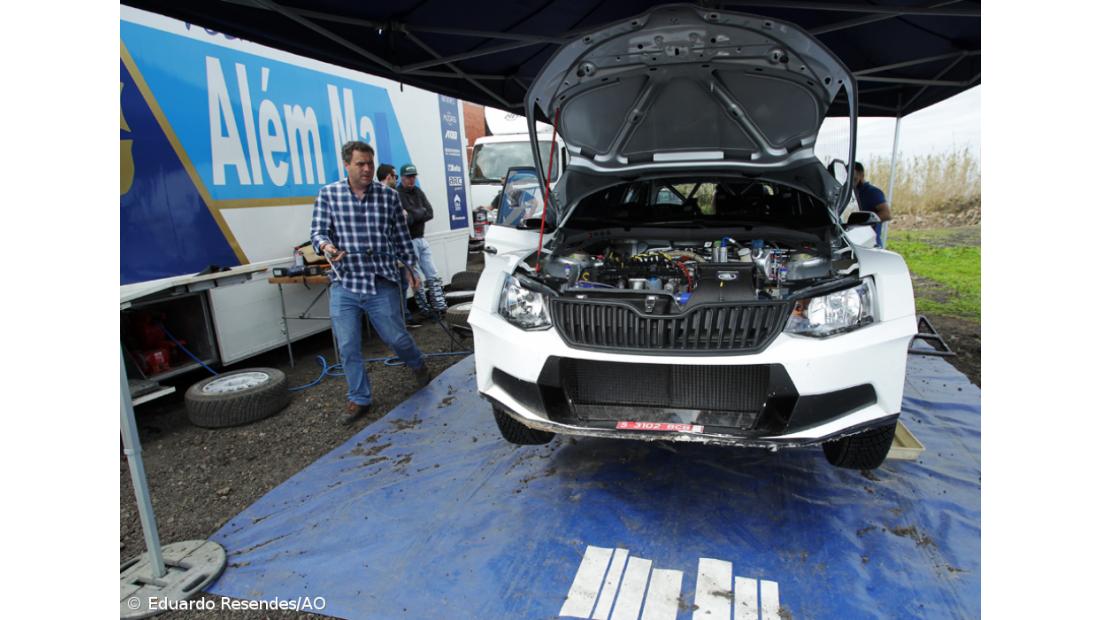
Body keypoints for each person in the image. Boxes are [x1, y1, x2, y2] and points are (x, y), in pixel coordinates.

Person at [311, 142, 431, 425]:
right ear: (346, 165)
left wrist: (410, 268)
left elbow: (401, 237)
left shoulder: (388, 197)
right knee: (348, 345)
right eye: (360, 164)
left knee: (396, 338)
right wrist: (327, 247)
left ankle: (417, 364)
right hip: (345, 282)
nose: (366, 169)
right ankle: (359, 397)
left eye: (369, 163)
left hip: (380, 281)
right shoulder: (329, 195)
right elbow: (318, 232)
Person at [396, 163, 446, 314]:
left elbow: (430, 212)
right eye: (409, 177)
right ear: (402, 177)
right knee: (416, 277)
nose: (412, 180)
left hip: (421, 238)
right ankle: (425, 310)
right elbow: (404, 220)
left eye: (413, 177)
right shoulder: (397, 194)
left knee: (433, 273)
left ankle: (439, 306)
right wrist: (419, 212)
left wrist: (413, 214)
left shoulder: (418, 191)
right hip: (408, 241)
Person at [377, 163, 422, 328]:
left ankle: (402, 318)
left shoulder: (390, 195)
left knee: (399, 286)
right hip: (392, 252)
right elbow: (402, 222)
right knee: (397, 287)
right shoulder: (386, 196)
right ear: (388, 177)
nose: (395, 180)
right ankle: (401, 319)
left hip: (395, 251)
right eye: (395, 176)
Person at [852, 162, 893, 248]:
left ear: (861, 175)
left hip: (871, 244)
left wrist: (863, 222)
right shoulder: (849, 193)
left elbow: (887, 214)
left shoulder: (872, 192)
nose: (851, 179)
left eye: (853, 175)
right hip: (855, 242)